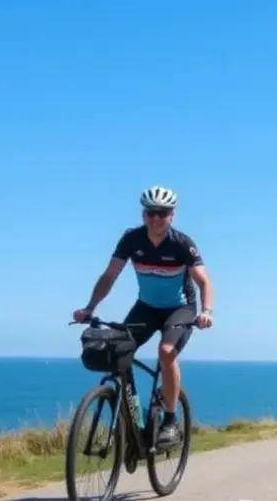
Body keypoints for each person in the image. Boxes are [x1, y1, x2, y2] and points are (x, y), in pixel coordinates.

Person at [72, 185, 214, 449]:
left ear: (172, 215)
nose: (156, 218)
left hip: (179, 309)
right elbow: (109, 276)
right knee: (116, 348)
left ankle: (170, 421)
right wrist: (90, 307)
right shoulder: (131, 239)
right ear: (143, 214)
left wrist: (206, 312)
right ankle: (128, 421)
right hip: (146, 307)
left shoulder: (182, 243)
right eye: (150, 213)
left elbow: (203, 281)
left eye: (162, 213)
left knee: (166, 350)